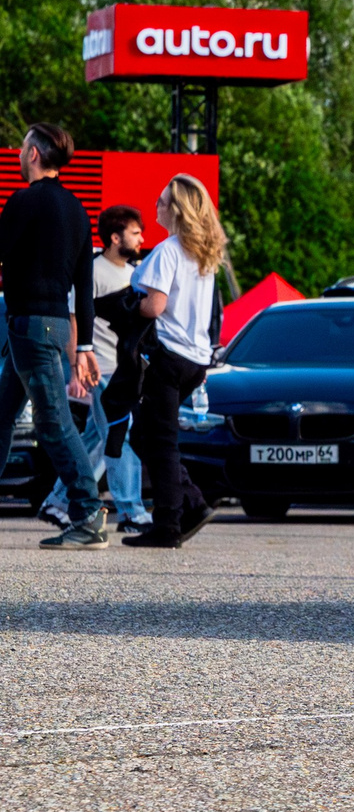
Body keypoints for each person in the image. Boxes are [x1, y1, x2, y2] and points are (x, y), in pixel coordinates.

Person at [0, 123, 110, 548]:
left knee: (53, 424)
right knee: (3, 414)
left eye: (23, 145)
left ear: (32, 154)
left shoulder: (24, 201)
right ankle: (86, 512)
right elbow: (85, 286)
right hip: (53, 326)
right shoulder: (78, 209)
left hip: (30, 325)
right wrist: (83, 347)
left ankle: (86, 513)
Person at [125, 174, 225, 549]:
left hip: (168, 357)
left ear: (178, 210)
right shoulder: (204, 254)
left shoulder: (168, 251)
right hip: (194, 360)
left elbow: (155, 305)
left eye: (163, 200)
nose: (157, 205)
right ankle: (188, 504)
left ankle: (170, 523)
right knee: (146, 434)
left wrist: (131, 307)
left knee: (161, 441)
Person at [52, 205, 150, 533]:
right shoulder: (91, 271)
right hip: (101, 370)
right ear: (114, 237)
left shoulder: (135, 273)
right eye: (136, 233)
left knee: (95, 439)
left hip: (124, 370)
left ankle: (58, 501)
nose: (142, 239)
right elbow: (73, 319)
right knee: (120, 437)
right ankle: (132, 512)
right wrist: (76, 365)